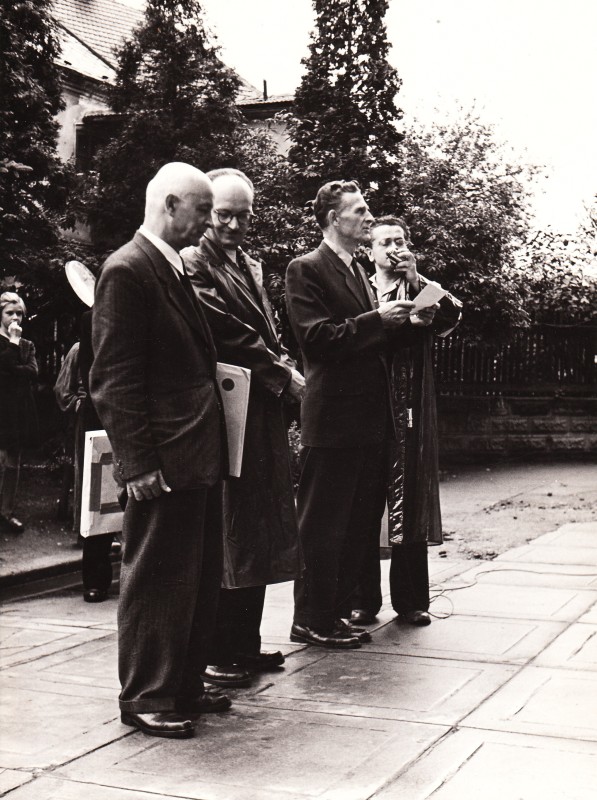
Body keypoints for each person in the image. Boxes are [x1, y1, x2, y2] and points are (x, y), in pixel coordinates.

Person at [90, 162, 229, 739]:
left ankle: (183, 683)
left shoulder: (167, 266)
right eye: (203, 210)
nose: (209, 222)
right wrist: (139, 463)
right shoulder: (128, 269)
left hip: (192, 454)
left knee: (193, 577)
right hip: (164, 460)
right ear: (171, 205)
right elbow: (113, 379)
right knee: (155, 579)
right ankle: (147, 693)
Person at [182, 168, 304, 688]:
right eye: (223, 214)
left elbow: (265, 331)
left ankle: (244, 644)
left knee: (259, 524)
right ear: (208, 212)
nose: (233, 225)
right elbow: (225, 331)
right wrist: (282, 372)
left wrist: (283, 363)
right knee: (231, 526)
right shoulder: (194, 261)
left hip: (261, 408)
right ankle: (217, 650)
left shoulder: (250, 264)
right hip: (229, 409)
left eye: (243, 215)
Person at [284, 180, 416, 649]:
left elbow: (368, 342)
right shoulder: (306, 269)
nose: (368, 216)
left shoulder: (358, 269)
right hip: (333, 421)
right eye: (359, 211)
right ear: (333, 219)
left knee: (355, 527)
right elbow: (316, 338)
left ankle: (333, 613)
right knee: (321, 526)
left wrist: (407, 321)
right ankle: (309, 619)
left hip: (367, 422)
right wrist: (378, 320)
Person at [350, 216, 462, 627]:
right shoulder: (357, 287)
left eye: (400, 241)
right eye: (385, 242)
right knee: (362, 505)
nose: (394, 249)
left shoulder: (421, 288)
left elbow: (452, 316)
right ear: (369, 251)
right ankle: (361, 600)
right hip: (364, 408)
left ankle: (411, 600)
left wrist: (415, 279)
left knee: (409, 500)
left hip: (408, 411)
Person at [0, 292, 38, 533]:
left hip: (18, 410)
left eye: (19, 314)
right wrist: (12, 343)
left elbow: (33, 372)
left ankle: (6, 512)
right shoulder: (13, 343)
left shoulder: (28, 344)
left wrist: (11, 368)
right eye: (9, 313)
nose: (15, 318)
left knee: (14, 462)